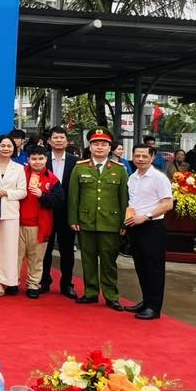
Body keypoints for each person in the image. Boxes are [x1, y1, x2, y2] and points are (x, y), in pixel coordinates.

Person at [68, 127, 129, 310]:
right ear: (90, 147)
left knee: (109, 261)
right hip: (86, 222)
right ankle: (91, 292)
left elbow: (124, 199)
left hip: (110, 223)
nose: (100, 147)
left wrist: (123, 223)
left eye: (104, 144)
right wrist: (73, 219)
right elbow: (73, 197)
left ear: (110, 148)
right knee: (88, 260)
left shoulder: (119, 170)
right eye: (96, 144)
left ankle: (111, 295)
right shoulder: (80, 168)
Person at [124, 144, 174, 320]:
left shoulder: (159, 178)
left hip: (153, 226)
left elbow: (168, 204)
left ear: (152, 157)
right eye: (137, 156)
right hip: (135, 225)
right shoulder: (132, 177)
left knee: (154, 268)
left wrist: (146, 216)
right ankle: (146, 301)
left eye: (145, 156)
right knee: (141, 266)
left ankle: (154, 307)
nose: (140, 159)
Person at [17, 146, 63, 299]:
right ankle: (13, 282)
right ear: (28, 160)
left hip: (40, 226)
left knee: (36, 258)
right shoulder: (20, 174)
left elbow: (59, 201)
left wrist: (42, 196)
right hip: (18, 224)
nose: (37, 162)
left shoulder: (52, 179)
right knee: (15, 256)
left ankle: (33, 285)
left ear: (46, 159)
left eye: (40, 159)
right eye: (34, 159)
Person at [40, 126, 80, 299]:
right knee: (45, 249)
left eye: (61, 138)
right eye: (55, 138)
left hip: (67, 212)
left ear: (67, 141)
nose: (58, 140)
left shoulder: (76, 162)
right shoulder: (41, 159)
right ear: (49, 141)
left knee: (67, 250)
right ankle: (44, 281)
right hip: (46, 210)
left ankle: (67, 284)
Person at [0, 135, 27, 296]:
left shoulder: (19, 168)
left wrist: (6, 192)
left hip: (10, 212)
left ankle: (4, 282)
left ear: (14, 149)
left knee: (9, 249)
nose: (6, 148)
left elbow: (23, 192)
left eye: (9, 146)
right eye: (3, 145)